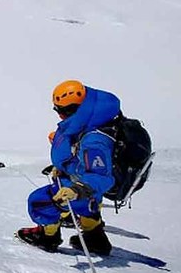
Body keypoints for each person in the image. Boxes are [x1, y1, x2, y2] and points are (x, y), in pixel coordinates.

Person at [16, 80, 119, 255]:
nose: (60, 115)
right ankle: (95, 239)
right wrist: (63, 167)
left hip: (81, 187)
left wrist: (77, 190)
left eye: (63, 111)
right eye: (57, 109)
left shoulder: (95, 140)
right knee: (89, 206)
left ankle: (47, 237)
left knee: (39, 201)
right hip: (83, 186)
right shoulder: (90, 119)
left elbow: (100, 176)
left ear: (76, 108)